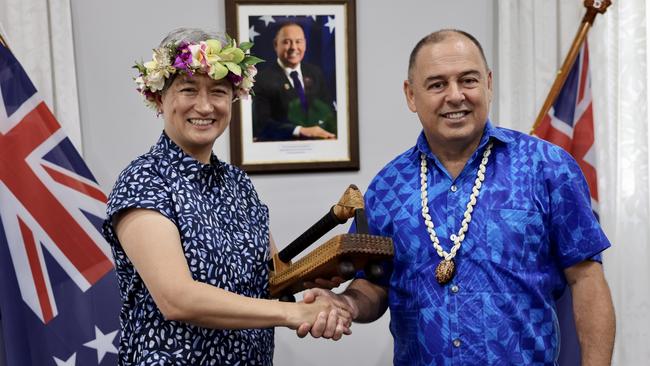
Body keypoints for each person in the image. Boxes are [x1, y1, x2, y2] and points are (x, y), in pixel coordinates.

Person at [300, 29, 616, 365]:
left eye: (468, 80)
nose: (455, 96)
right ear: (410, 95)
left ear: (488, 84)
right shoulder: (387, 188)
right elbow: (373, 286)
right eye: (437, 84)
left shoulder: (547, 167)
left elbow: (586, 280)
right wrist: (345, 304)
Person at [102, 28, 351, 365]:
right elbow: (178, 299)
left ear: (233, 98)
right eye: (188, 89)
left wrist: (315, 280)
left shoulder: (238, 183)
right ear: (159, 98)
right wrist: (290, 315)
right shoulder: (144, 179)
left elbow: (270, 279)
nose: (205, 106)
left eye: (218, 91)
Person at [252, 21, 337, 141]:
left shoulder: (315, 73)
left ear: (305, 44)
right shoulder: (262, 79)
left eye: (298, 41)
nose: (293, 47)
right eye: (286, 42)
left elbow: (329, 112)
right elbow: (261, 124)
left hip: (319, 144)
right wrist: (300, 131)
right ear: (276, 45)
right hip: (282, 148)